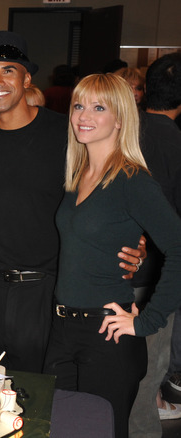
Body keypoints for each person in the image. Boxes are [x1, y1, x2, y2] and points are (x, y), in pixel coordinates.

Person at [0, 31, 143, 373]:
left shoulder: (66, 134)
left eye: (7, 71)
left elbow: (114, 188)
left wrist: (136, 241)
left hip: (45, 290)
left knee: (39, 399)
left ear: (27, 78)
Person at [43, 73, 181, 438]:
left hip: (107, 336)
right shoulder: (79, 174)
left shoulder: (132, 179)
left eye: (98, 107)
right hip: (62, 330)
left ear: (119, 119)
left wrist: (146, 322)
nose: (83, 116)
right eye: (78, 105)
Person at [128, 52, 181, 434]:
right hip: (157, 277)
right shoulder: (176, 143)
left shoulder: (124, 130)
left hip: (111, 271)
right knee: (147, 374)